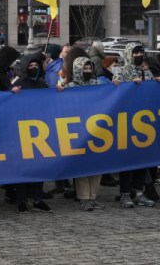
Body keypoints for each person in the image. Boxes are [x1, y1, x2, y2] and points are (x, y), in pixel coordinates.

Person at [112, 43, 160, 208]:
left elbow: (150, 92)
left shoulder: (146, 71)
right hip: (126, 121)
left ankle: (138, 192)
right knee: (128, 159)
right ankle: (125, 194)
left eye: (141, 52)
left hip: (144, 121)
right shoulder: (121, 70)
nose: (139, 55)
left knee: (142, 158)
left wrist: (157, 82)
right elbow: (115, 86)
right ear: (128, 54)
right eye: (136, 52)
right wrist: (128, 84)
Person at [59, 57, 103, 212]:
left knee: (97, 165)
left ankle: (93, 197)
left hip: (97, 130)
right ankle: (84, 197)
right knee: (82, 166)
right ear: (77, 69)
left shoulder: (98, 84)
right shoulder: (70, 87)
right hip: (78, 131)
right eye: (84, 69)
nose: (87, 71)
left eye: (89, 68)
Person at [11, 53, 52, 214]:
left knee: (39, 167)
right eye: (31, 66)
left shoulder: (42, 83)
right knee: (24, 168)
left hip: (40, 129)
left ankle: (37, 199)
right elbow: (7, 99)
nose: (33, 68)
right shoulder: (19, 82)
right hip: (21, 130)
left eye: (36, 66)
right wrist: (11, 92)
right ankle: (21, 200)